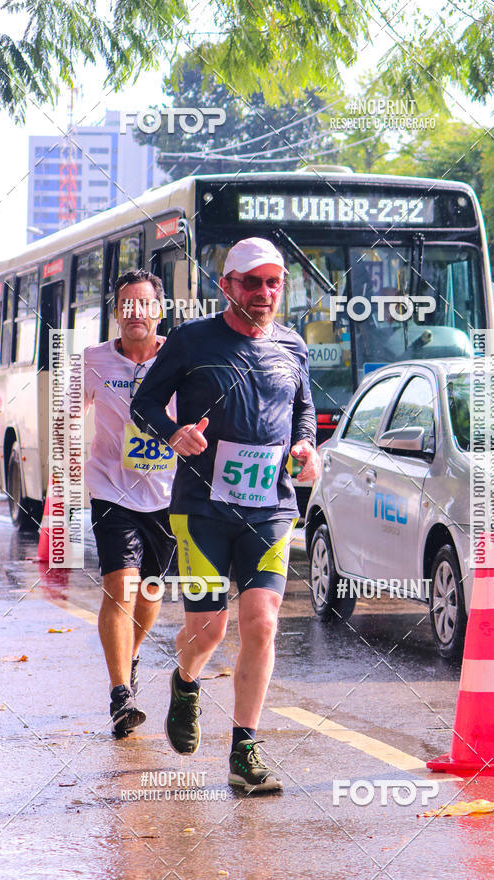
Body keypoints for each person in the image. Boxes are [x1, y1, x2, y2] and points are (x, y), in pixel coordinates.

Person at [131, 237, 320, 791]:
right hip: (201, 508)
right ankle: (186, 680)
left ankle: (244, 749)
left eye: (273, 283)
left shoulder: (293, 346)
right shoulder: (192, 340)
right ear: (227, 286)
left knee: (262, 621)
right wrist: (174, 433)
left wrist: (306, 445)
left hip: (270, 506)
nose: (264, 293)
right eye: (252, 282)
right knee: (208, 629)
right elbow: (144, 404)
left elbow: (304, 410)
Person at [84, 269, 177, 736]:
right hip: (110, 490)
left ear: (159, 311)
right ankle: (122, 694)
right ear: (116, 312)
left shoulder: (180, 359)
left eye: (144, 303)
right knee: (121, 586)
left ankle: (131, 655)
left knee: (150, 591)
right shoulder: (94, 360)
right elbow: (67, 413)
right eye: (127, 303)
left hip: (165, 495)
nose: (135, 311)